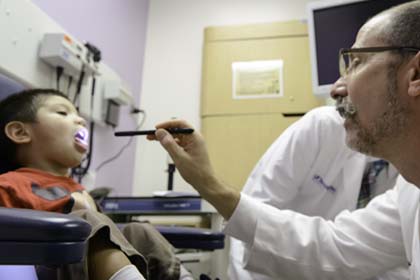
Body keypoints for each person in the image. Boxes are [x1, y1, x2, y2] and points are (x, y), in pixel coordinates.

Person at [148, 2, 420, 279]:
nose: (337, 87)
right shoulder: (408, 192)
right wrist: (210, 185)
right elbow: (335, 248)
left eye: (357, 62)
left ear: (415, 74)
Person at [0, 89, 186, 280]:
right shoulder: (8, 184)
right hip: (45, 266)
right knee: (86, 220)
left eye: (79, 115)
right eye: (62, 113)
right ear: (20, 132)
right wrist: (74, 213)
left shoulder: (78, 189)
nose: (81, 121)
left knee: (139, 230)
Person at [228, 105, 408, 280]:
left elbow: (389, 258)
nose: (338, 87)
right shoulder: (323, 127)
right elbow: (250, 223)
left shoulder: (410, 177)